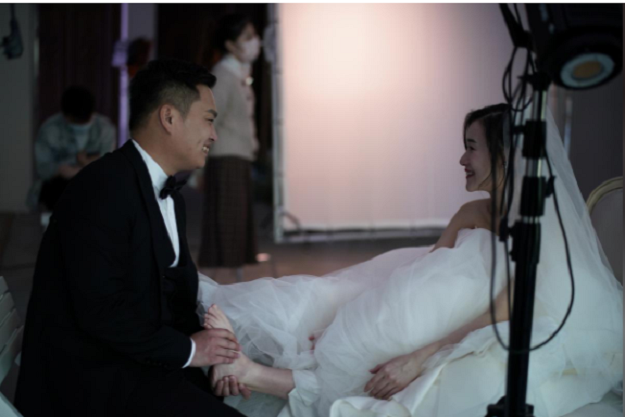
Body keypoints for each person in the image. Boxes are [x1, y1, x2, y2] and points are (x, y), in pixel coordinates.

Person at [196, 104, 623, 417]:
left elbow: (510, 306)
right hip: (456, 308)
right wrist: (344, 320)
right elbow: (422, 276)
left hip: (512, 321)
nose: (462, 159)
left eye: (471, 147)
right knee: (329, 300)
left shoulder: (538, 220)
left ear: (504, 153)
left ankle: (251, 371)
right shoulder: (471, 213)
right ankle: (234, 350)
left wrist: (421, 356)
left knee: (382, 341)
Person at [15, 59, 248, 417]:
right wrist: (191, 351)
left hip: (144, 361)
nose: (214, 135)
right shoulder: (101, 189)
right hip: (93, 381)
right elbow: (100, 311)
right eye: (208, 119)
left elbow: (173, 296)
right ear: (169, 118)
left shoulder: (169, 196)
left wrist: (215, 353)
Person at [198, 13, 261, 276]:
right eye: (247, 37)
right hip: (226, 157)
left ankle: (228, 282)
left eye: (253, 35)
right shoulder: (224, 75)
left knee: (233, 225)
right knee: (227, 226)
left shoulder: (238, 73)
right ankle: (219, 286)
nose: (254, 41)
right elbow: (210, 117)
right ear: (230, 44)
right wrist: (200, 162)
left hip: (237, 156)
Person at [27, 85, 116, 212]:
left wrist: (85, 164)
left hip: (95, 187)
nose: (81, 125)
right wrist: (59, 170)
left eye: (85, 122)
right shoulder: (50, 129)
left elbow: (108, 166)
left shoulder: (104, 128)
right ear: (66, 116)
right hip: (59, 188)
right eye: (76, 122)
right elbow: (43, 168)